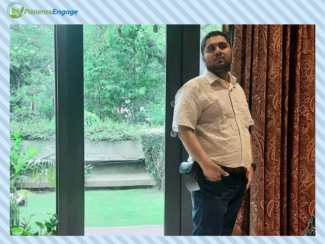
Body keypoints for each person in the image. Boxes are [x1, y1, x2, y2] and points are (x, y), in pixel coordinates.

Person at [172, 31, 255, 236]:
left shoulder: (237, 89)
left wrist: (249, 165)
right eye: (211, 48)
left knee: (225, 234)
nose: (218, 51)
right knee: (206, 234)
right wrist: (207, 166)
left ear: (231, 51)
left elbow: (245, 129)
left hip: (238, 178)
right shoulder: (193, 88)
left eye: (222, 46)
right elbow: (184, 130)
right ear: (203, 57)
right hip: (211, 178)